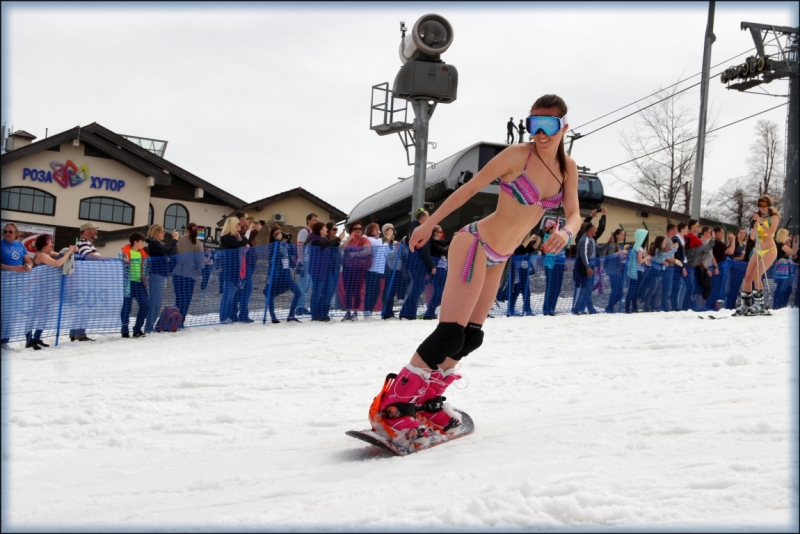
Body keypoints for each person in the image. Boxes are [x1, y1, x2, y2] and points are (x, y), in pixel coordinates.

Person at [369, 94, 581, 445]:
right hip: (475, 244)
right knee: (450, 333)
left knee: (471, 337)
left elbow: (573, 213)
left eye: (549, 125)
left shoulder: (567, 168)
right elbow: (468, 190)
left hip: (500, 256)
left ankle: (426, 402)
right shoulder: (517, 156)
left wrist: (566, 232)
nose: (540, 134)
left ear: (564, 127)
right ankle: (392, 407)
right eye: (533, 125)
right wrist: (426, 224)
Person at [24, 235, 79, 349]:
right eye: (50, 243)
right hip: (37, 290)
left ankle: (36, 338)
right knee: (34, 315)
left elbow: (60, 255)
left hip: (46, 290)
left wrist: (71, 250)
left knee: (45, 315)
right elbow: (57, 263)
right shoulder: (41, 255)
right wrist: (68, 252)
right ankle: (29, 340)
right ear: (43, 244)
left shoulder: (48, 253)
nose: (52, 244)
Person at [735, 195, 781, 316]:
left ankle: (759, 303)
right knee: (748, 275)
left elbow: (771, 233)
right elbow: (752, 237)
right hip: (758, 249)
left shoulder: (773, 217)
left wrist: (761, 222)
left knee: (757, 274)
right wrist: (755, 228)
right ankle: (746, 304)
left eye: (764, 205)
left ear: (768, 205)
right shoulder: (757, 217)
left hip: (769, 250)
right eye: (759, 205)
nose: (762, 208)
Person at [69, 221, 107, 341]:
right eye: (93, 229)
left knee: (82, 306)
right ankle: (80, 334)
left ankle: (74, 333)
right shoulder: (84, 243)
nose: (96, 231)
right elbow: (88, 257)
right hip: (84, 280)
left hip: (83, 280)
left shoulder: (86, 244)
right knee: (84, 306)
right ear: (86, 230)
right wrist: (103, 259)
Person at [400, 209, 436, 320]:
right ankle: (407, 313)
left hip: (415, 262)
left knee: (417, 287)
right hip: (418, 262)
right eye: (428, 217)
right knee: (418, 287)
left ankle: (408, 312)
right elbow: (423, 248)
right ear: (423, 218)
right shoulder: (419, 229)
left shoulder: (414, 227)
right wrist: (432, 265)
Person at [2, 223, 34, 347]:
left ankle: (5, 341)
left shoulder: (20, 245)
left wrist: (29, 267)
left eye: (10, 232)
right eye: (5, 231)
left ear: (16, 233)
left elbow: (29, 261)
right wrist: (13, 268)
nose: (7, 234)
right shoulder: (1, 244)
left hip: (17, 284)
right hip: (4, 283)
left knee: (11, 313)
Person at [144, 224, 179, 333]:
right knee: (155, 302)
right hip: (156, 275)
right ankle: (148, 327)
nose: (164, 233)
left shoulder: (157, 244)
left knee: (157, 302)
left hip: (161, 275)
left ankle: (150, 326)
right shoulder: (154, 244)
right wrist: (174, 239)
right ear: (156, 232)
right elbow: (169, 252)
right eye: (162, 232)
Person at [264, 224, 302, 323]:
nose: (279, 235)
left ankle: (291, 315)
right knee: (270, 295)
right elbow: (274, 253)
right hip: (277, 273)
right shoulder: (272, 245)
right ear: (272, 236)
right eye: (276, 234)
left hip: (286, 273)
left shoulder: (285, 244)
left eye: (280, 233)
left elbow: (293, 253)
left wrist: (289, 241)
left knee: (298, 292)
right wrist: (277, 240)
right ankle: (273, 316)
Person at [307, 221, 343, 321]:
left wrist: (339, 239)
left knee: (325, 292)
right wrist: (338, 238)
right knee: (317, 293)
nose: (326, 230)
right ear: (320, 230)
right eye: (324, 228)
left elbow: (332, 245)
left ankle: (322, 314)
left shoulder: (323, 239)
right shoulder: (315, 239)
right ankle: (315, 315)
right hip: (318, 270)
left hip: (324, 270)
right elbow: (324, 245)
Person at [172, 222, 205, 328]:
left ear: (186, 230)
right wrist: (198, 268)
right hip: (189, 274)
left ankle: (175, 319)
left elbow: (174, 253)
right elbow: (200, 261)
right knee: (186, 298)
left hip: (177, 273)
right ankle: (181, 320)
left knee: (179, 298)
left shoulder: (180, 240)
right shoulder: (197, 243)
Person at [119, 232, 150, 339]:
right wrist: (122, 261)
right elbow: (117, 262)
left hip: (140, 283)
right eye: (141, 241)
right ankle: (124, 329)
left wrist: (146, 275)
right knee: (127, 307)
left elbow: (146, 266)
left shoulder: (143, 253)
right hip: (128, 284)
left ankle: (137, 329)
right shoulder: (124, 252)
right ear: (135, 242)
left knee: (145, 305)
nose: (143, 243)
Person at [219, 217, 250, 323]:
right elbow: (239, 244)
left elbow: (240, 247)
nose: (240, 226)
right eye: (238, 224)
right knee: (227, 296)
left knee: (232, 297)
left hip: (236, 270)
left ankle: (229, 316)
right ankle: (223, 317)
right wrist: (249, 231)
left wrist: (244, 250)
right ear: (232, 225)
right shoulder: (226, 238)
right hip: (229, 270)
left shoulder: (236, 237)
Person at [341, 220, 371, 321]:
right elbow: (340, 249)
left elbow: (367, 251)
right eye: (355, 229)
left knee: (357, 290)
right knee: (348, 290)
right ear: (351, 230)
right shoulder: (348, 240)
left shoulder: (364, 239)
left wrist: (355, 254)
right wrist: (349, 238)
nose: (358, 230)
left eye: (360, 228)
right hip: (347, 268)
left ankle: (356, 313)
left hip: (359, 268)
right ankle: (348, 312)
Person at [641, 236, 678, 312]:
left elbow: (660, 259)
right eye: (664, 241)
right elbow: (666, 256)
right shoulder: (657, 250)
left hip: (658, 273)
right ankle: (646, 307)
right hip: (654, 273)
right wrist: (675, 249)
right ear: (660, 242)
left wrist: (663, 263)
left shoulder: (658, 251)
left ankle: (652, 307)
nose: (666, 242)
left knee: (656, 292)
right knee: (652, 291)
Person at [542, 219, 569, 316]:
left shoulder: (559, 237)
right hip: (551, 265)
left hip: (560, 264)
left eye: (556, 226)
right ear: (548, 228)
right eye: (553, 227)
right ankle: (547, 309)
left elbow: (568, 240)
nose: (555, 229)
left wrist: (565, 230)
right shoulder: (547, 237)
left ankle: (552, 308)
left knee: (557, 287)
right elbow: (550, 247)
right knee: (550, 287)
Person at [509, 231, 540, 316]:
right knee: (516, 291)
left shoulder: (523, 245)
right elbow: (520, 250)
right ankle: (511, 309)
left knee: (527, 292)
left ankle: (528, 310)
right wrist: (529, 239)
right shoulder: (515, 245)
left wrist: (537, 241)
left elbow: (532, 249)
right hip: (517, 272)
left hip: (524, 272)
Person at [295, 213, 319, 316]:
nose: (316, 222)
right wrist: (301, 261)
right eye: (314, 220)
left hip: (312, 261)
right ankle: (299, 307)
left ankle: (303, 306)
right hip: (305, 260)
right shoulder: (304, 231)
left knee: (308, 285)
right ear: (308, 220)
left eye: (317, 220)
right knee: (303, 284)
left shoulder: (314, 232)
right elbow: (299, 246)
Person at [573, 221, 599, 314]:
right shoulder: (584, 240)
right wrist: (587, 267)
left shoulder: (592, 240)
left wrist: (608, 243)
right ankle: (576, 309)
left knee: (586, 288)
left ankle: (580, 308)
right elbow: (583, 254)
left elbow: (599, 249)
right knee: (580, 287)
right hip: (582, 265)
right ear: (591, 230)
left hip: (589, 264)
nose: (596, 231)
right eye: (595, 229)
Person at [424, 225, 450, 319]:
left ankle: (431, 312)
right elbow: (443, 251)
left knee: (441, 293)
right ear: (435, 233)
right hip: (437, 269)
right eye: (440, 232)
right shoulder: (433, 243)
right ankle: (429, 313)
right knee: (438, 292)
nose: (441, 234)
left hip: (443, 269)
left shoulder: (438, 242)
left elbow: (443, 243)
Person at [363, 223, 387, 318]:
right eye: (376, 230)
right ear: (370, 231)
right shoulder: (369, 239)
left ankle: (370, 310)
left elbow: (389, 248)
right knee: (370, 290)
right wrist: (388, 235)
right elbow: (381, 242)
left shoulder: (379, 240)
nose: (379, 232)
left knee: (376, 291)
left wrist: (391, 239)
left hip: (379, 270)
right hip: (371, 270)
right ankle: (367, 311)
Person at [624, 229, 649, 313]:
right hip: (636, 271)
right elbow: (640, 261)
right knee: (632, 289)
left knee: (635, 290)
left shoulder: (641, 248)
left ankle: (634, 307)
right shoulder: (639, 248)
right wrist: (647, 258)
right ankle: (628, 307)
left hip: (639, 271)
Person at [603, 229, 627, 313]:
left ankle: (609, 307)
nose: (623, 237)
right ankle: (609, 308)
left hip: (617, 270)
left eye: (624, 235)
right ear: (617, 235)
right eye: (622, 235)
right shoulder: (613, 245)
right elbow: (610, 256)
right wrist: (621, 252)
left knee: (618, 292)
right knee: (617, 291)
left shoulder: (617, 245)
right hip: (613, 271)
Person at [669, 222, 689, 312]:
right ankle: (675, 305)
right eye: (686, 228)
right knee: (676, 286)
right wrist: (682, 266)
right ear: (681, 229)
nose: (687, 230)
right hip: (677, 266)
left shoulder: (683, 239)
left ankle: (679, 305)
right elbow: (677, 254)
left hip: (683, 264)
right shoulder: (675, 239)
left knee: (682, 286)